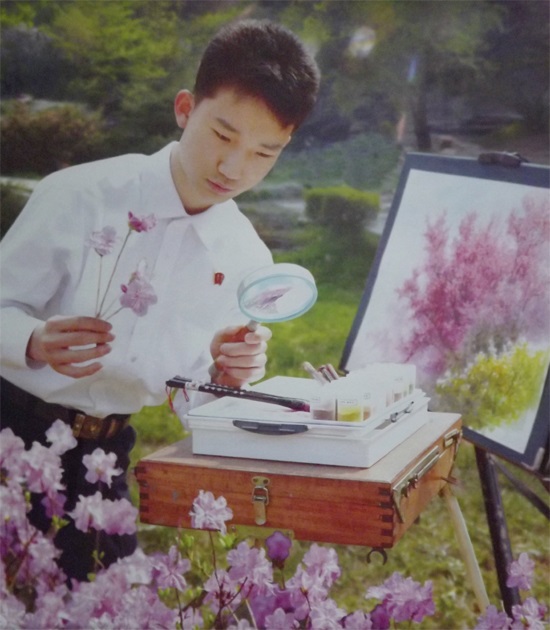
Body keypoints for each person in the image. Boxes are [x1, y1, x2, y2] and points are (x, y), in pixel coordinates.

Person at [0, 18, 320, 582]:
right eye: (223, 136)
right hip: (9, 426)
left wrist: (225, 377)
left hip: (102, 461)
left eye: (263, 153)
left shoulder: (246, 257)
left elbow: (190, 401)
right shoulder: (80, 195)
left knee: (110, 605)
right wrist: (33, 340)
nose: (234, 168)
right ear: (185, 109)